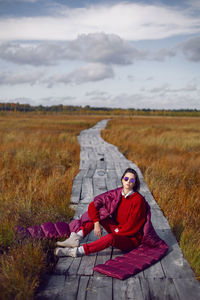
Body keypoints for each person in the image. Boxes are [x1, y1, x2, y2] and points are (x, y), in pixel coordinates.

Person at [54, 168, 147, 258]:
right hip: (116, 228)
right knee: (99, 213)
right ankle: (76, 238)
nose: (128, 181)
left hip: (129, 238)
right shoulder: (117, 193)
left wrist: (116, 231)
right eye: (126, 178)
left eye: (132, 180)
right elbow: (93, 205)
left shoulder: (138, 200)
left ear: (135, 183)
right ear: (122, 180)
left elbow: (132, 225)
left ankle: (76, 251)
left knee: (110, 238)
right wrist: (96, 223)